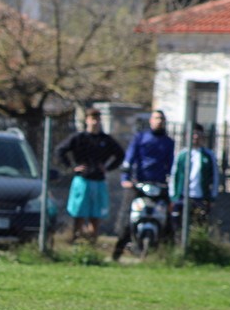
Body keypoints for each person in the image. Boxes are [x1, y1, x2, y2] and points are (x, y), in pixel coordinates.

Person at [112, 109, 175, 260]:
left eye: (161, 119)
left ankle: (169, 254)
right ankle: (118, 251)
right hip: (138, 184)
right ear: (151, 121)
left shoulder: (168, 142)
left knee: (168, 217)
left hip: (159, 185)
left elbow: (171, 165)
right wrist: (126, 178)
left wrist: (171, 183)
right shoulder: (140, 138)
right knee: (127, 216)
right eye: (156, 118)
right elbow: (129, 158)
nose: (159, 121)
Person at [55, 107, 125, 243]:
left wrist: (108, 168)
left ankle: (92, 241)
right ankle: (76, 238)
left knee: (96, 214)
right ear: (87, 120)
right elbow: (60, 150)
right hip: (82, 180)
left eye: (97, 119)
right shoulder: (79, 138)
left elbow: (120, 155)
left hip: (99, 181)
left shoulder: (105, 139)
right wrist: (72, 167)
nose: (95, 122)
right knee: (79, 212)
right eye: (92, 118)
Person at [169, 123, 219, 228]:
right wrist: (173, 197)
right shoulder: (182, 155)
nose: (195, 137)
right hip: (182, 197)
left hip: (200, 197)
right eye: (193, 134)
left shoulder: (208, 155)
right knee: (178, 225)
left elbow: (215, 177)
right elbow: (174, 176)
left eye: (198, 134)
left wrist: (212, 197)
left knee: (199, 225)